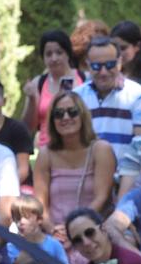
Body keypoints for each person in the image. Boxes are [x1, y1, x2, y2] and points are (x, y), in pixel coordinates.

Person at [33, 91, 116, 232]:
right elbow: (40, 204)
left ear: (83, 116)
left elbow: (101, 198)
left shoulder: (101, 149)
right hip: (55, 232)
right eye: (58, 114)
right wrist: (52, 231)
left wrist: (74, 229)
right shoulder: (45, 154)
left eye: (72, 112)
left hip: (90, 231)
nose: (65, 117)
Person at [75, 36, 141, 163]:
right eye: (96, 66)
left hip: (127, 177)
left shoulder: (139, 96)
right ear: (88, 65)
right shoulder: (76, 97)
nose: (103, 72)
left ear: (119, 62)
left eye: (110, 65)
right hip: (85, 176)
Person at [22, 29, 86, 149]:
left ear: (68, 53)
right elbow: (27, 127)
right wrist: (32, 99)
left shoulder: (84, 79)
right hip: (48, 151)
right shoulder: (38, 83)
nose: (54, 58)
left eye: (59, 52)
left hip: (80, 149)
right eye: (49, 54)